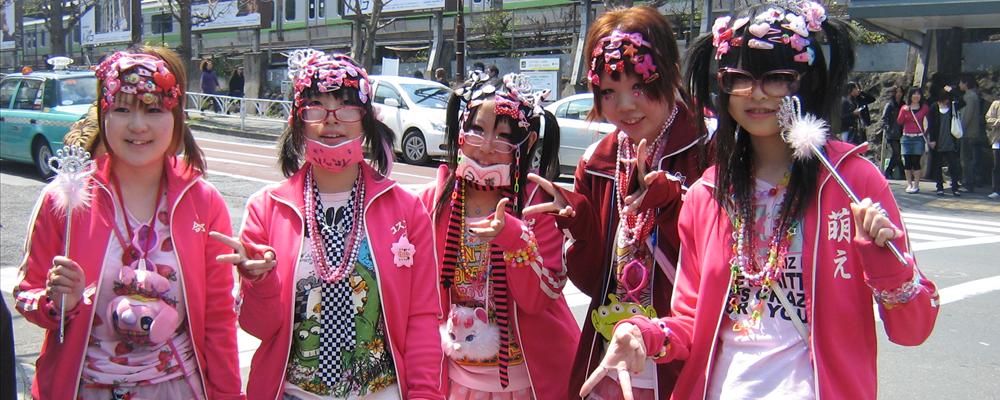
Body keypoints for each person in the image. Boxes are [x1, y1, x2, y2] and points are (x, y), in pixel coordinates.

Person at [581, 2, 939, 399]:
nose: (756, 93)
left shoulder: (853, 181)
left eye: (777, 78)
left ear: (807, 81)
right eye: (739, 78)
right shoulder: (708, 195)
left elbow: (913, 330)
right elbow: (689, 321)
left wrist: (887, 266)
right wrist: (644, 333)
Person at [13, 47, 244, 399]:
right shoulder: (66, 198)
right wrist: (57, 302)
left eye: (153, 109)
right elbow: (26, 295)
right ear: (103, 114)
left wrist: (228, 395)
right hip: (83, 388)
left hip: (177, 388)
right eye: (122, 109)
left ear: (176, 116)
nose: (137, 125)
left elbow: (218, 319)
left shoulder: (203, 200)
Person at [212, 49, 444, 399]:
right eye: (316, 106)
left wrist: (426, 394)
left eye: (346, 106)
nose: (331, 120)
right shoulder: (267, 208)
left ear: (366, 118)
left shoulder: (406, 209)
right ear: (297, 118)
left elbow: (422, 318)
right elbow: (259, 327)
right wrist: (258, 283)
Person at [527, 6, 709, 398]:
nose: (624, 105)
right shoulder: (597, 161)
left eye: (638, 87)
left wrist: (675, 202)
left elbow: (720, 267)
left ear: (669, 73)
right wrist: (581, 224)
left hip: (684, 345)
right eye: (609, 91)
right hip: (612, 340)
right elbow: (597, 282)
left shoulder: (710, 151)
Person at [418, 71, 578, 399]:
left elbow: (539, 300)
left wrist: (514, 238)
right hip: (453, 377)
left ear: (528, 142)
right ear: (461, 131)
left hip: (526, 380)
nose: (487, 147)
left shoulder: (539, 204)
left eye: (503, 136)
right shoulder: (433, 201)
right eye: (477, 130)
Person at [928, 85, 965, 196]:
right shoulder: (934, 107)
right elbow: (931, 125)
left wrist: (952, 91)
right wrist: (932, 139)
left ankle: (955, 187)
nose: (947, 99)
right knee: (937, 165)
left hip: (950, 141)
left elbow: (963, 102)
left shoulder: (953, 106)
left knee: (953, 165)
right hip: (938, 141)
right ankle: (939, 186)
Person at [897, 87, 930, 193]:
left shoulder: (924, 108)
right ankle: (909, 184)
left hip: (918, 137)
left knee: (916, 161)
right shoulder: (904, 108)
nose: (916, 96)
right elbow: (899, 121)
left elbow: (928, 123)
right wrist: (904, 112)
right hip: (906, 137)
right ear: (910, 96)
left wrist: (926, 134)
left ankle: (916, 184)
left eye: (918, 94)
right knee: (907, 161)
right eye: (914, 94)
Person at [958, 76, 985, 193]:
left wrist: (960, 130)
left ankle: (968, 182)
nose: (959, 85)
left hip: (968, 133)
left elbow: (967, 116)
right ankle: (971, 181)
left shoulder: (969, 97)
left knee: (966, 159)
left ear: (965, 83)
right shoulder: (974, 96)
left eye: (961, 82)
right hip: (972, 132)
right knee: (970, 158)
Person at [881, 86, 905, 179]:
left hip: (900, 132)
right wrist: (887, 128)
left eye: (900, 92)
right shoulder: (890, 105)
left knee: (897, 154)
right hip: (891, 133)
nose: (899, 94)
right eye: (897, 92)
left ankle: (900, 172)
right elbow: (884, 119)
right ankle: (889, 171)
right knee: (896, 152)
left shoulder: (903, 105)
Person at [986, 100, 1000, 199]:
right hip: (997, 140)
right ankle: (996, 190)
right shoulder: (996, 104)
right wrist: (997, 121)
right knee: (996, 166)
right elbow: (987, 118)